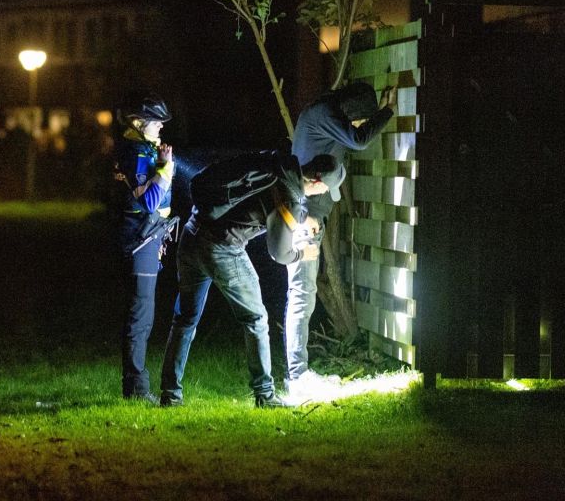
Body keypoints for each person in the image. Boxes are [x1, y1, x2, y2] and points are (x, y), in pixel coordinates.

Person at [158, 151, 344, 408]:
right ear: (317, 181)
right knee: (256, 319)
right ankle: (265, 395)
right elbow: (279, 252)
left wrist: (299, 221)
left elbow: (264, 206)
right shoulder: (290, 196)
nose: (322, 194)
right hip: (223, 248)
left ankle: (170, 394)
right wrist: (303, 252)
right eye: (325, 189)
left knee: (185, 318)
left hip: (192, 233)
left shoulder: (279, 165)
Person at [283, 82, 397, 404]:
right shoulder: (326, 113)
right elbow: (359, 141)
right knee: (302, 297)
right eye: (359, 120)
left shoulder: (323, 116)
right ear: (353, 111)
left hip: (311, 217)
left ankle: (299, 373)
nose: (356, 127)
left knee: (303, 297)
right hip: (305, 218)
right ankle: (297, 378)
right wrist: (388, 110)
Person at [112, 92, 176, 404]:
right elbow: (149, 201)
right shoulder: (137, 154)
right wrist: (165, 168)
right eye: (157, 122)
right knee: (141, 317)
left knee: (144, 315)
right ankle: (136, 389)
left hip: (148, 240)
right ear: (139, 123)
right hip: (141, 240)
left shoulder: (139, 149)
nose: (161, 127)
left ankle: (136, 385)